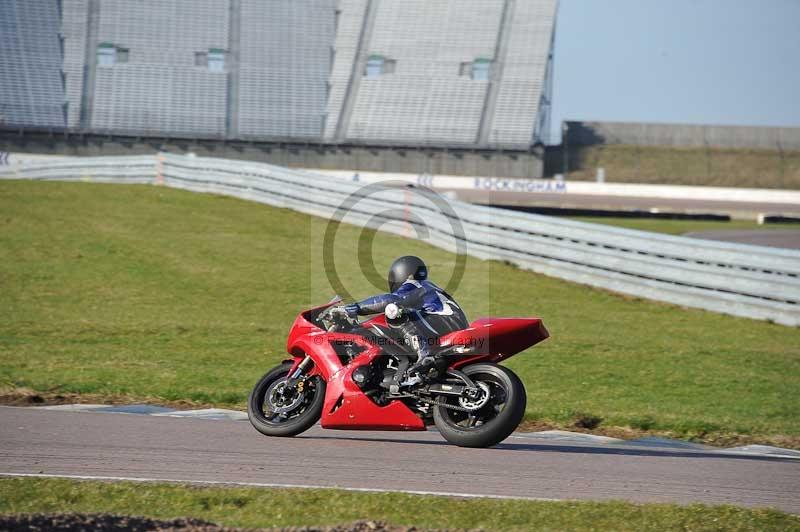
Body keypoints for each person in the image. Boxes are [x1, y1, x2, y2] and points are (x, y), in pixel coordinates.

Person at [330, 256, 468, 389]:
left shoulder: (414, 282)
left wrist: (354, 308)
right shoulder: (426, 287)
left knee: (393, 310)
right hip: (449, 323)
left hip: (448, 322)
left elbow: (389, 300)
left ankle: (425, 354)